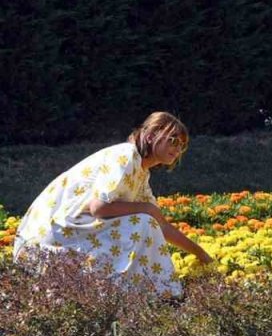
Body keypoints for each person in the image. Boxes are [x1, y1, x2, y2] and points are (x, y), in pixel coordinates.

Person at [13, 112, 215, 295]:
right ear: (152, 135)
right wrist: (148, 209)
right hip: (48, 241)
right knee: (142, 222)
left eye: (182, 145)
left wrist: (201, 254)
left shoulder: (141, 173)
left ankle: (151, 296)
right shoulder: (125, 155)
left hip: (68, 236)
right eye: (173, 141)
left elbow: (161, 224)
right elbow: (99, 208)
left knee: (146, 223)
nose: (177, 149)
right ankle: (156, 296)